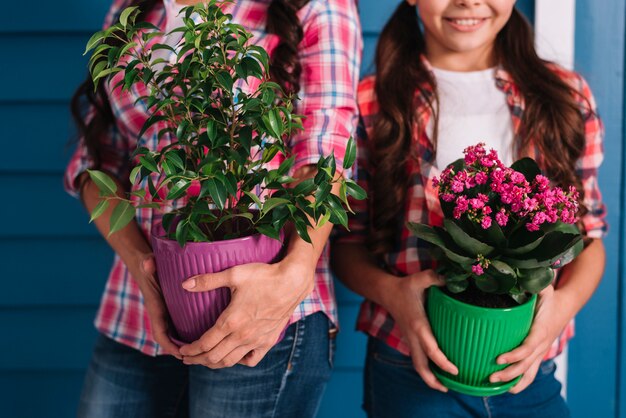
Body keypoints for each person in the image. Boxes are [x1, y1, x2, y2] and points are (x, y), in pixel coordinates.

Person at [65, 0, 361, 416]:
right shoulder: (129, 10)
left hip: (259, 309)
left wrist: (296, 268)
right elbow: (98, 161)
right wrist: (143, 268)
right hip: (137, 308)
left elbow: (325, 150)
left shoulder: (315, 5)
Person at [331, 0, 607, 417]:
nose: (468, 2)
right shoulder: (372, 101)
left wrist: (560, 310)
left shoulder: (563, 97)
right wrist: (393, 294)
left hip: (525, 372)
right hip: (408, 364)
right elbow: (346, 244)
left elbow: (588, 237)